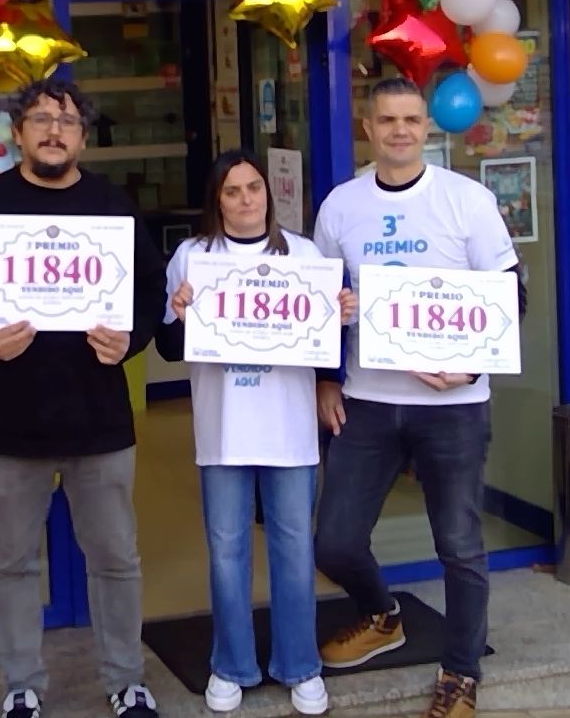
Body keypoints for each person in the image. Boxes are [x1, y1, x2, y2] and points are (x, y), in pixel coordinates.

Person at [0, 77, 169, 718]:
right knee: (10, 562)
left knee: (116, 558)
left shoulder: (113, 206)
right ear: (19, 132)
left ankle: (125, 679)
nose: (53, 131)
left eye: (65, 121)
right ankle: (22, 686)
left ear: (83, 136)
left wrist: (131, 341)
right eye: (40, 119)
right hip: (12, 418)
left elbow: (149, 294)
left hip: (99, 419)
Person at [309, 78, 527, 718]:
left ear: (428, 127)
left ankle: (460, 674)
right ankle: (382, 615)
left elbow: (511, 294)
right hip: (367, 400)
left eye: (411, 119)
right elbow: (323, 299)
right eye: (387, 120)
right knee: (336, 541)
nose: (400, 130)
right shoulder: (340, 206)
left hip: (453, 408)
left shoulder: (468, 200)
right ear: (368, 127)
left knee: (459, 544)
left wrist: (468, 367)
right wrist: (325, 377)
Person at [156, 150, 353, 716]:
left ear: (269, 193)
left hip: (289, 430)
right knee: (226, 551)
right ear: (216, 200)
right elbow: (170, 347)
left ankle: (300, 666)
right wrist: (180, 309)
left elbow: (325, 345)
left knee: (294, 548)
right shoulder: (194, 257)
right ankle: (231, 665)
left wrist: (338, 315)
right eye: (233, 191)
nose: (247, 199)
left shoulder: (304, 254)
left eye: (255, 188)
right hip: (223, 429)